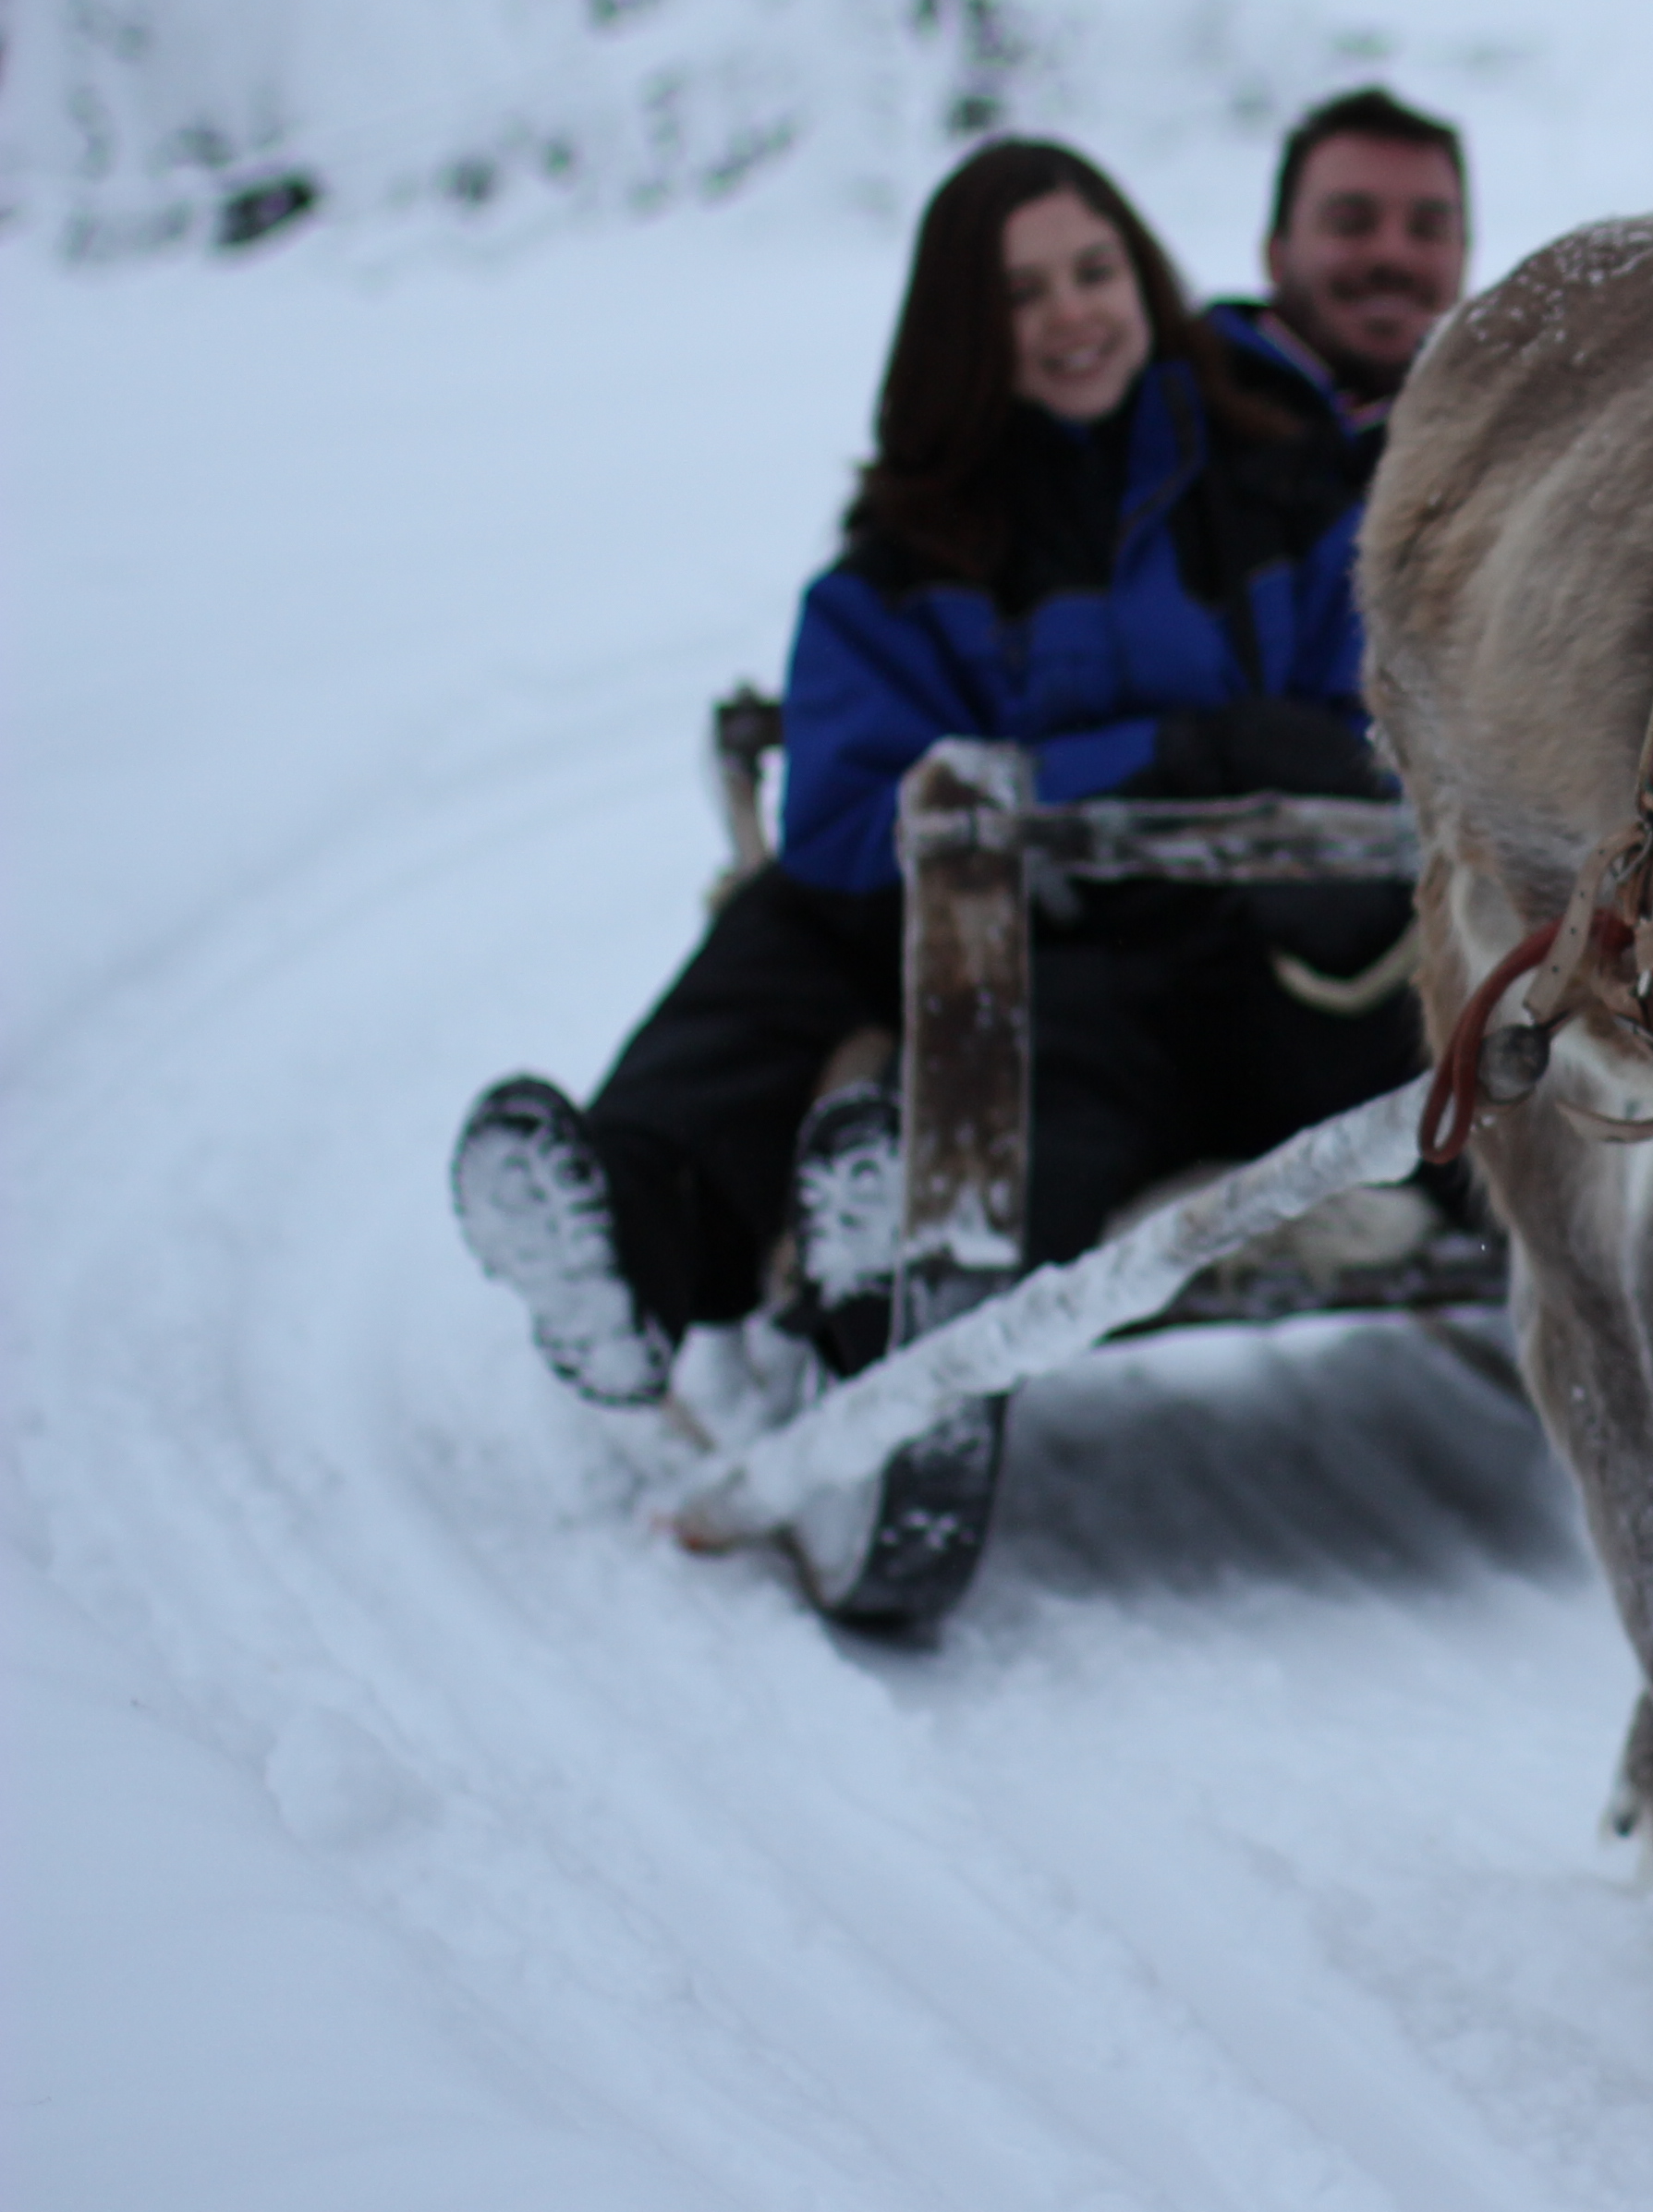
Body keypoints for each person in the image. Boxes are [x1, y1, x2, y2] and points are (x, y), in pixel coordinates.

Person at [448, 139, 1422, 1416]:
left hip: (1267, 972)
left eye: (1095, 271)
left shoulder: (1284, 494)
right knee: (796, 939)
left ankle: (883, 1272)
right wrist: (1142, 758)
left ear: (1145, 279)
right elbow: (845, 822)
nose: (1073, 314)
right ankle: (641, 1245)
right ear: (968, 330)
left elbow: (1378, 731)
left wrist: (1250, 778)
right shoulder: (904, 563)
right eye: (1024, 294)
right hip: (1036, 982)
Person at [1210, 85, 1472, 452]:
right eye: (1351, 222)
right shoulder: (1164, 434)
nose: (1393, 254)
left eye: (1428, 229)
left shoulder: (1524, 451)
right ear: (1276, 253)